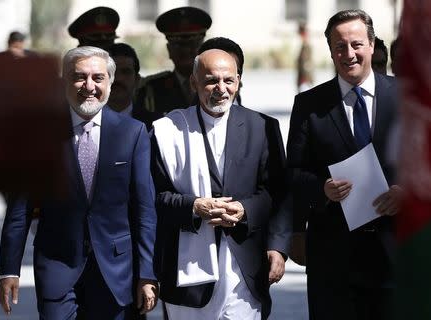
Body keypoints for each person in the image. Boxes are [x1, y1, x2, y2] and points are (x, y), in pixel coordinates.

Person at [0, 46, 158, 319]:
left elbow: (145, 210)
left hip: (116, 270)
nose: (89, 86)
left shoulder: (133, 133)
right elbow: (19, 209)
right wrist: (9, 269)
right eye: (79, 77)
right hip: (57, 264)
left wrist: (146, 273)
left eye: (98, 77)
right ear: (64, 82)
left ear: (109, 82)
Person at [151, 49, 284, 319]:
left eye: (229, 81)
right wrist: (194, 206)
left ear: (239, 81)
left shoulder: (262, 127)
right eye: (211, 80)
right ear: (193, 83)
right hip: (187, 275)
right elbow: (154, 196)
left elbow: (278, 192)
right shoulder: (167, 130)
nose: (221, 89)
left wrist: (246, 211)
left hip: (244, 269)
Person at [287, 9, 400, 320]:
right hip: (335, 260)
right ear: (330, 50)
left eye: (356, 44)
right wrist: (321, 188)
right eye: (339, 46)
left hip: (398, 254)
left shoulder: (406, 97)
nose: (348, 54)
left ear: (372, 45)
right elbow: (292, 174)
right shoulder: (309, 105)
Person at [135, 6, 211, 118]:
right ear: (169, 50)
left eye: (192, 44)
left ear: (202, 48)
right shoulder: (150, 89)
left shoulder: (217, 84)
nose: (185, 50)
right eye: (178, 45)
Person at [107, 43, 157, 130]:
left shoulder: (156, 126)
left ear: (137, 80)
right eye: (111, 72)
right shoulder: (84, 122)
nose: (118, 79)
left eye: (126, 72)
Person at [197, 37, 245, 106]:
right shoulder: (180, 115)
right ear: (194, 82)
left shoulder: (253, 116)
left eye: (228, 79)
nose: (221, 89)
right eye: (213, 80)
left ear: (238, 81)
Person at [296, 22, 314, 92]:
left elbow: (306, 64)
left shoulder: (306, 47)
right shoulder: (304, 46)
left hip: (305, 79)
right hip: (304, 79)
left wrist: (306, 79)